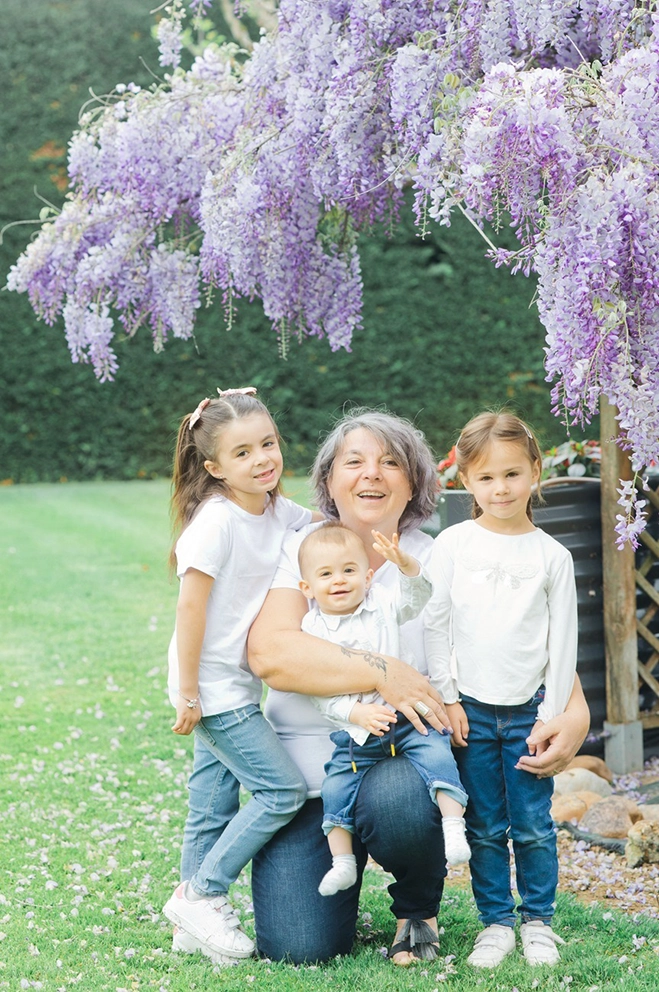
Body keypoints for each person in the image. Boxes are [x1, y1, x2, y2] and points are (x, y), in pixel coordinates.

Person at [247, 407, 590, 967]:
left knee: (408, 795)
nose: (371, 475)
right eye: (353, 462)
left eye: (390, 463)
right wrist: (384, 670)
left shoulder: (443, 554)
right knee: (299, 946)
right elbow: (272, 655)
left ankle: (416, 907)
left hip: (401, 763)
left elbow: (525, 634)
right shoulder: (301, 551)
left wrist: (575, 711)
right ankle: (341, 868)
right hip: (311, 775)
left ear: (417, 482)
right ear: (330, 480)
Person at [161, 387, 320, 966]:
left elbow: (323, 523)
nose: (262, 460)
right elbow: (190, 610)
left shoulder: (277, 511)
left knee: (212, 798)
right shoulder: (216, 521)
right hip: (212, 689)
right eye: (244, 453)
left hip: (233, 683)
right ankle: (201, 894)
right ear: (214, 468)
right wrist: (188, 690)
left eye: (269, 444)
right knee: (280, 791)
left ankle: (189, 927)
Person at [424, 411, 578, 969]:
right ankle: (496, 923)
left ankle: (538, 921)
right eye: (487, 477)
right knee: (485, 824)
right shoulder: (453, 545)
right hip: (471, 710)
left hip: (528, 712)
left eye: (513, 474)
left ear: (535, 470)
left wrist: (553, 713)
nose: (501, 488)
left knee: (534, 824)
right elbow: (435, 623)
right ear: (465, 480)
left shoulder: (551, 556)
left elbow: (563, 643)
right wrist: (446, 694)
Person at [297, 522, 470, 901]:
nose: (339, 580)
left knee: (438, 755)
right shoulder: (311, 629)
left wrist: (407, 566)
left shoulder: (383, 603)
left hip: (406, 721)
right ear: (307, 588)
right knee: (335, 786)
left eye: (348, 570)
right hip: (355, 735)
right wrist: (353, 712)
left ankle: (453, 825)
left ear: (368, 576)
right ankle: (342, 861)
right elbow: (316, 690)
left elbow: (417, 597)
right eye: (325, 574)